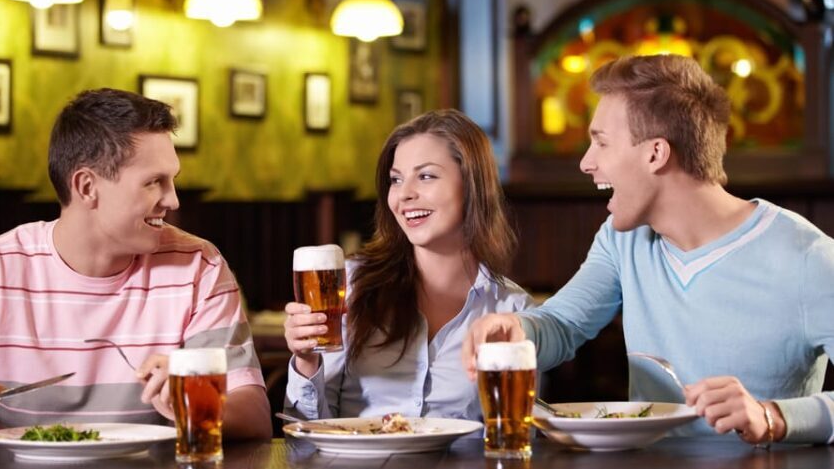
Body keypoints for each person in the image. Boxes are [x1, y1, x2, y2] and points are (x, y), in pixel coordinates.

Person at [462, 54, 834, 446]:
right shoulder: (622, 240)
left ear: (656, 153)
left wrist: (773, 416)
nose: (587, 163)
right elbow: (562, 324)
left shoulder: (808, 257)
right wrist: (518, 330)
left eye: (600, 142)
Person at [0, 89, 271, 441]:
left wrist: (196, 401)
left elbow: (255, 418)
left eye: (173, 180)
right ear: (86, 186)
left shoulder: (198, 266)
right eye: (154, 182)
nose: (172, 200)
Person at [284, 110, 534, 421]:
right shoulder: (350, 285)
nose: (404, 195)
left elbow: (520, 432)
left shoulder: (512, 309)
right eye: (396, 180)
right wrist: (306, 360)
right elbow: (306, 431)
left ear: (472, 185)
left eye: (426, 176)